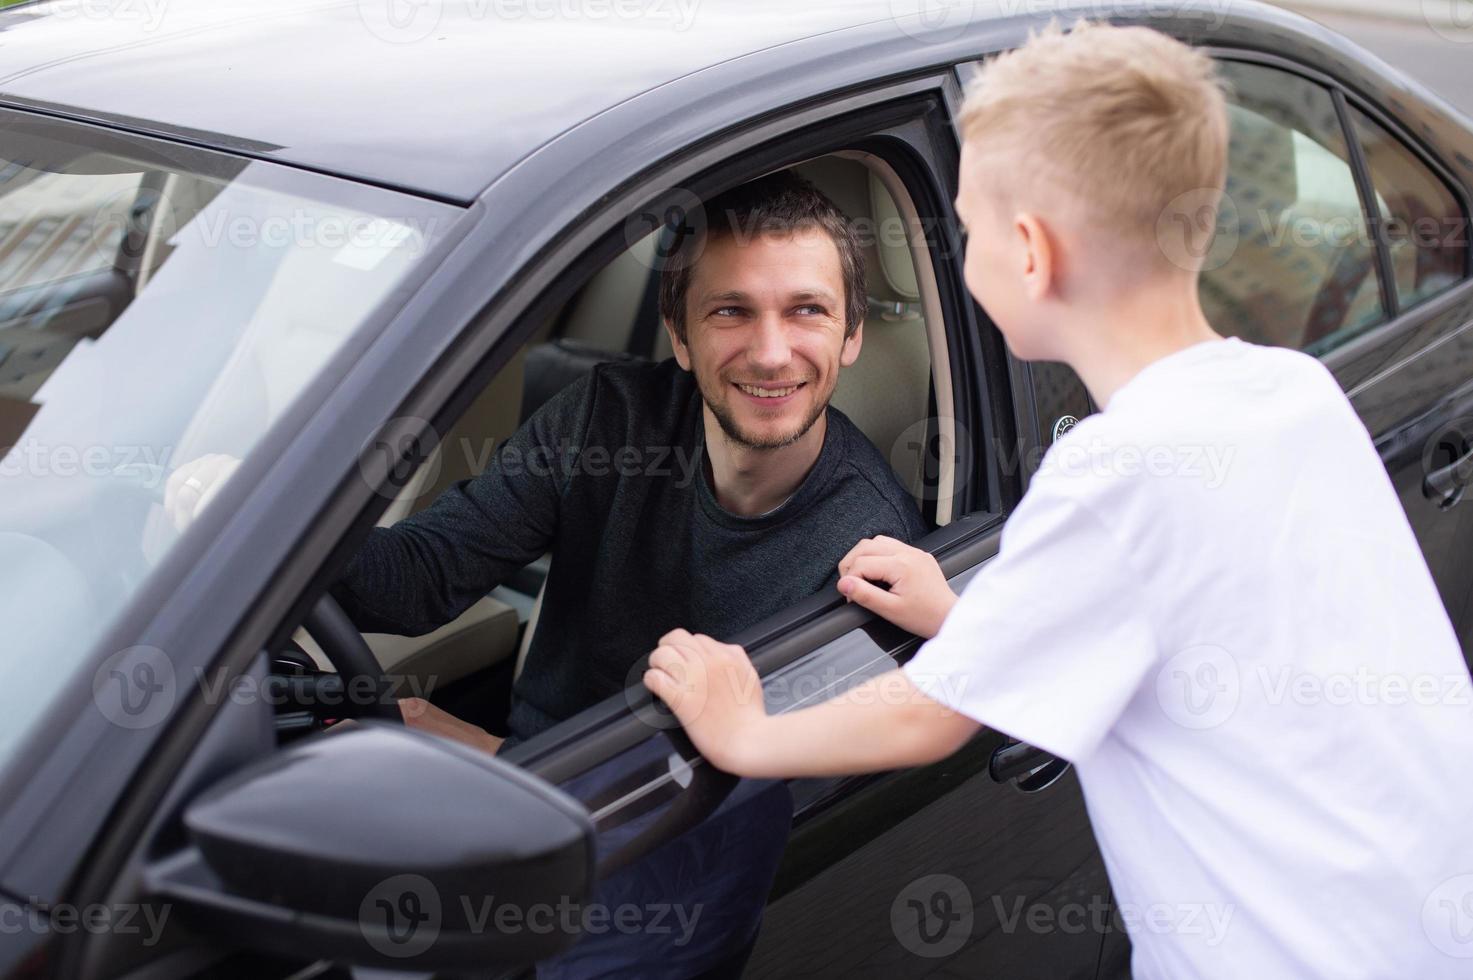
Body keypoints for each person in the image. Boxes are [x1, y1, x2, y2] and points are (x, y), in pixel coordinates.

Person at [643, 21, 1473, 980]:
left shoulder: (1112, 474)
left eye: (964, 228)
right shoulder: (1287, 390)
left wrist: (744, 730)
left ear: (1028, 253)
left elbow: (929, 719)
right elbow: (1178, 605)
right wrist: (973, 616)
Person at [166, 169, 926, 977]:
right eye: (730, 309)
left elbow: (716, 794)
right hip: (521, 801)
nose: (771, 353)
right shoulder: (608, 418)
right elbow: (423, 578)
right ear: (679, 334)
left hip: (661, 887)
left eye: (806, 311)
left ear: (850, 336)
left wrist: (473, 752)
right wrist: (273, 517)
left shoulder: (866, 549)